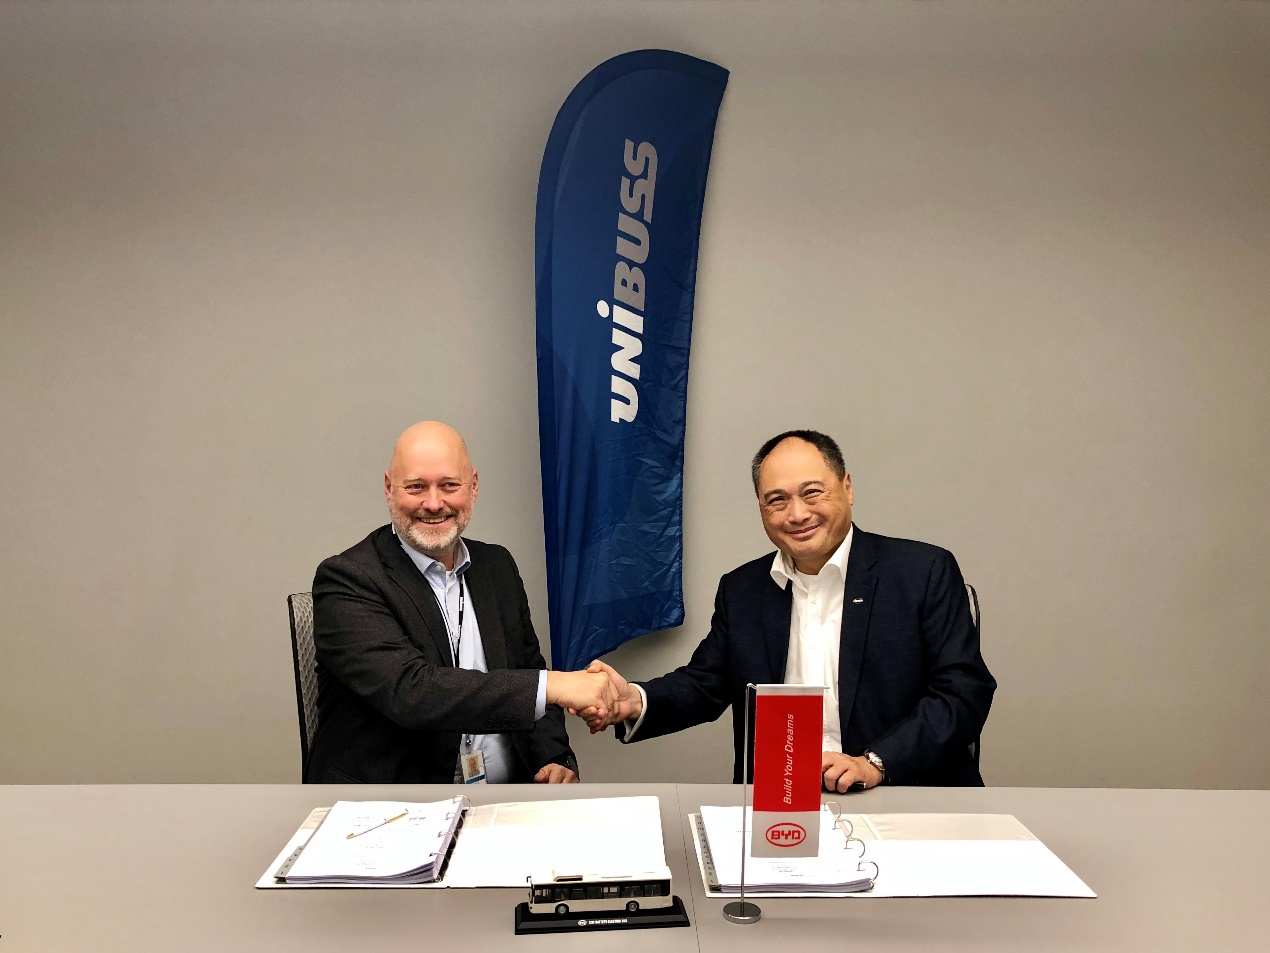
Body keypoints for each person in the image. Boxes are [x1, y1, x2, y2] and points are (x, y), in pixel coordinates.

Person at [580, 430, 996, 791]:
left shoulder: (922, 572)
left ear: (847, 487)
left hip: (905, 791)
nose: (797, 514)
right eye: (777, 500)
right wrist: (633, 701)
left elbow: (962, 691)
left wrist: (874, 764)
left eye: (812, 492)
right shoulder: (743, 589)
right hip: (783, 803)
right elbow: (705, 684)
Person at [304, 421, 617, 784]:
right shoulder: (347, 578)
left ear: (474, 486)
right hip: (392, 804)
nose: (434, 503)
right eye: (416, 487)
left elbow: (527, 668)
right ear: (389, 487)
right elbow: (412, 693)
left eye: (449, 485)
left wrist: (553, 757)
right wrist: (554, 686)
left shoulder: (497, 566)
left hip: (509, 798)